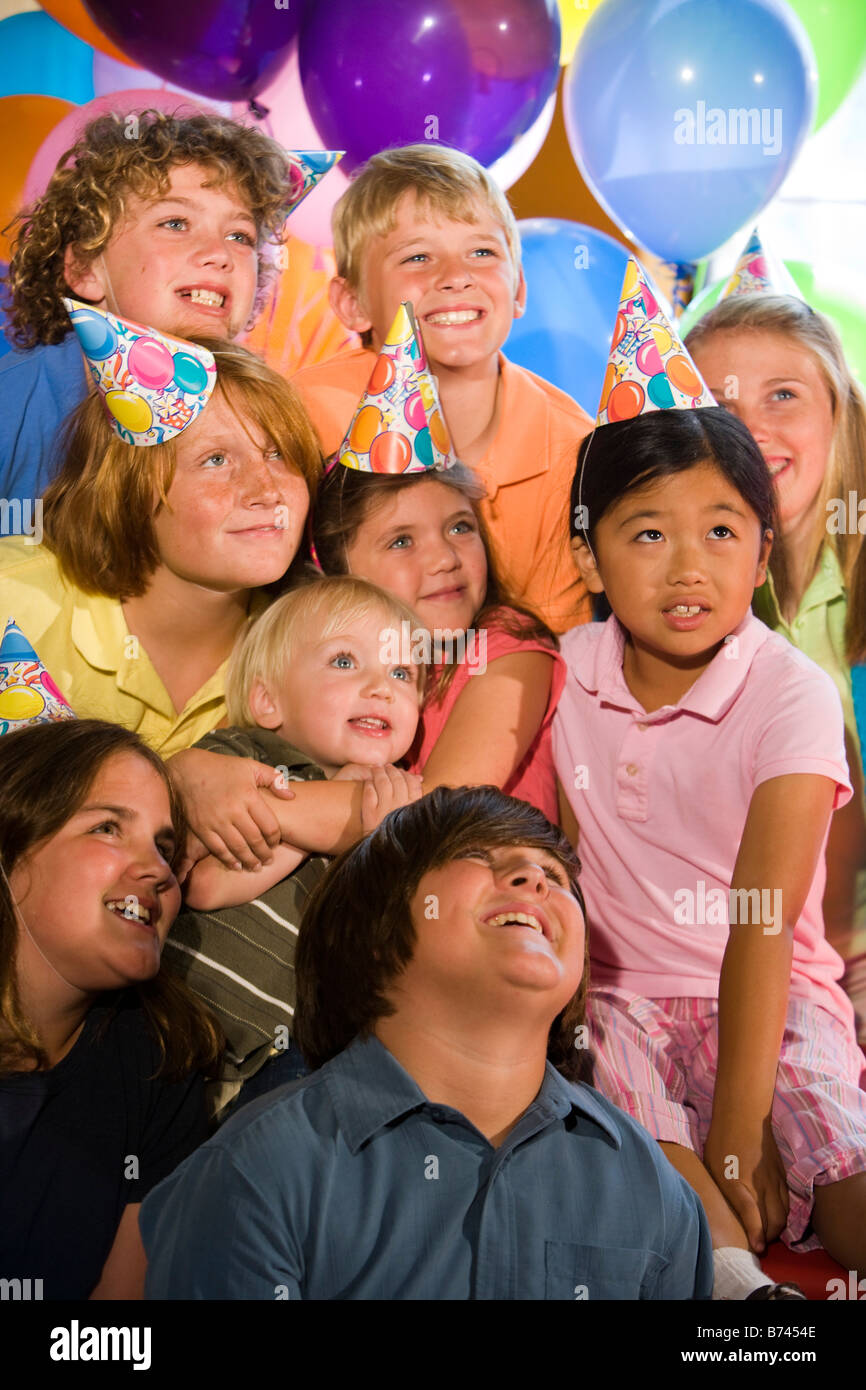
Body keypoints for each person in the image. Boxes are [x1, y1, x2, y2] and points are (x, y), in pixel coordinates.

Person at [554, 267, 866, 1298]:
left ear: (760, 546)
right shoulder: (565, 672)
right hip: (620, 1000)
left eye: (721, 531)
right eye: (646, 532)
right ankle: (743, 1295)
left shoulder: (789, 694)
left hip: (771, 996)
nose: (687, 566)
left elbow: (763, 917)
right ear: (588, 557)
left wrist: (739, 1125)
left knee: (841, 1187)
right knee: (658, 1167)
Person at [140, 785, 713, 1300]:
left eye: (557, 878)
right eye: (477, 855)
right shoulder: (255, 1172)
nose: (536, 879)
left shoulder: (654, 1187)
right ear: (372, 933)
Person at [292, 143, 593, 633]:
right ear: (352, 304)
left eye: (481, 251)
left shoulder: (572, 451)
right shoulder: (300, 416)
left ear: (518, 289)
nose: (456, 277)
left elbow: (545, 649)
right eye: (417, 257)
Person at [0, 317, 321, 762]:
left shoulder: (312, 648)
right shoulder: (12, 597)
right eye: (215, 459)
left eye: (278, 453)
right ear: (128, 488)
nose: (266, 490)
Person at [168, 576, 423, 1111]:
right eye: (345, 662)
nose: (382, 687)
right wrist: (326, 815)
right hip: (181, 1019)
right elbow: (208, 885)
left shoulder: (397, 800)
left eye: (402, 672)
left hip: (276, 1054)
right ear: (266, 700)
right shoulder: (237, 759)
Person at [687, 293, 866, 1043]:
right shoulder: (664, 608)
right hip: (716, 975)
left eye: (783, 395)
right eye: (720, 405)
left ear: (840, 415)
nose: (752, 429)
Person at [0, 111, 331, 515]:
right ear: (85, 269)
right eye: (176, 223)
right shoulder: (11, 411)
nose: (219, 254)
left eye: (239, 236)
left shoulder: (265, 422)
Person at [0, 719, 221, 1300]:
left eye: (165, 848)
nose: (157, 870)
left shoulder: (164, 1059)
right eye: (107, 828)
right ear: (10, 849)